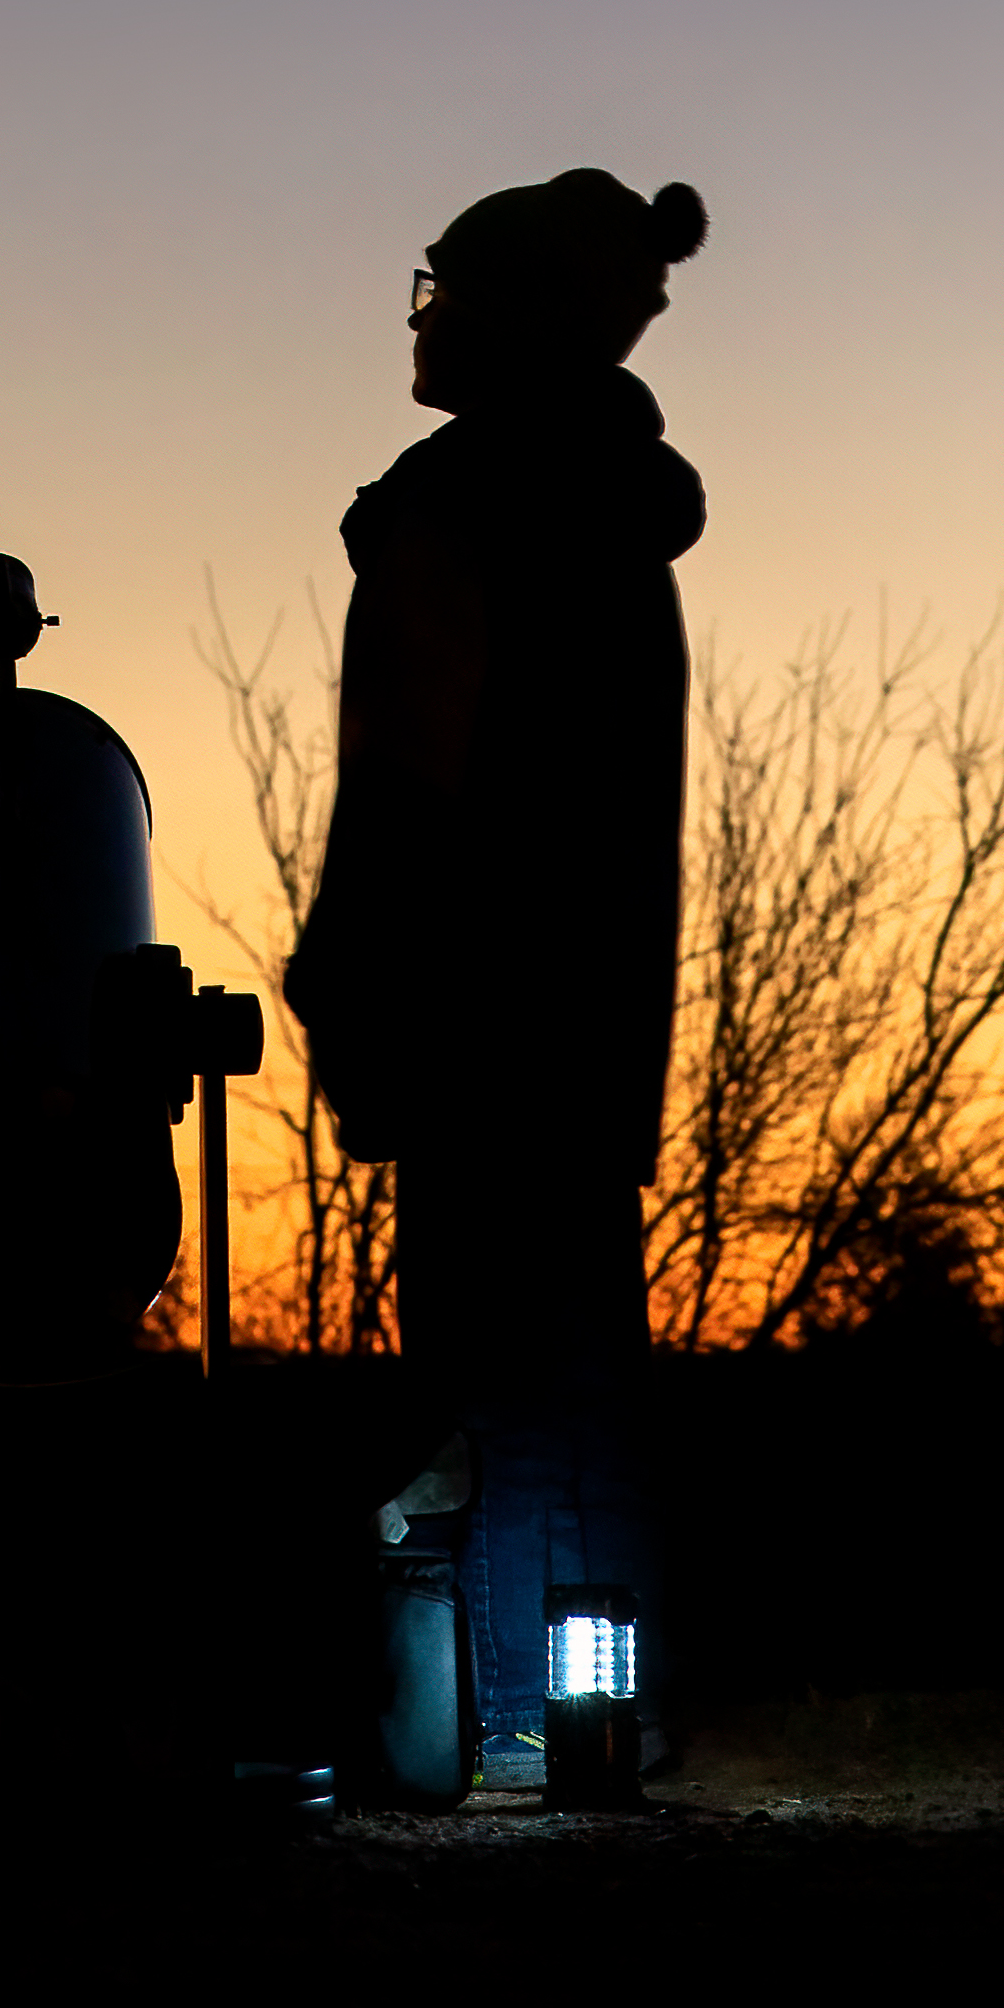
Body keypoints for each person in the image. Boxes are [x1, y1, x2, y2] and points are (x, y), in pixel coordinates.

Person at [284, 171, 708, 1791]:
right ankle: (594, 1712)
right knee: (580, 1364)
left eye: (440, 287)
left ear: (515, 312)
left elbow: (407, 769)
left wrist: (347, 970)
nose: (422, 313)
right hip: (591, 1018)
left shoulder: (457, 508)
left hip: (469, 1009)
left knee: (472, 1372)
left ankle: (490, 1717)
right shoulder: (615, 522)